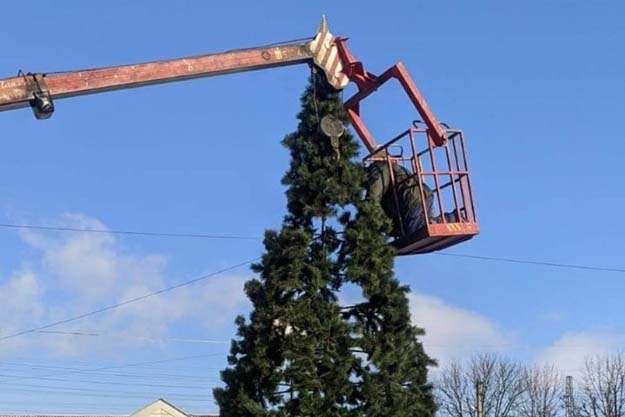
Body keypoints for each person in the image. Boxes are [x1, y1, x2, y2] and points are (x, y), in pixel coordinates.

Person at [365, 150, 433, 237]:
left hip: (413, 200)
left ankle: (451, 217)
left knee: (415, 232)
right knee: (416, 227)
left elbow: (373, 198)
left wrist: (386, 225)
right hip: (421, 196)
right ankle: (448, 218)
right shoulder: (392, 169)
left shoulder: (379, 168)